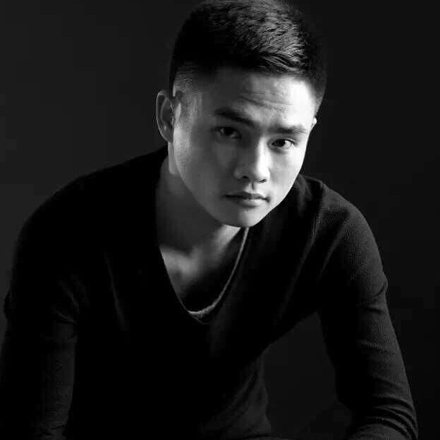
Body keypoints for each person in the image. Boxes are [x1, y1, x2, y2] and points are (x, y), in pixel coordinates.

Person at [0, 0, 419, 439]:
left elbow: (388, 413)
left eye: (283, 141)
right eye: (228, 132)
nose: (255, 170)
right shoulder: (66, 235)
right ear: (169, 117)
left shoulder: (328, 232)